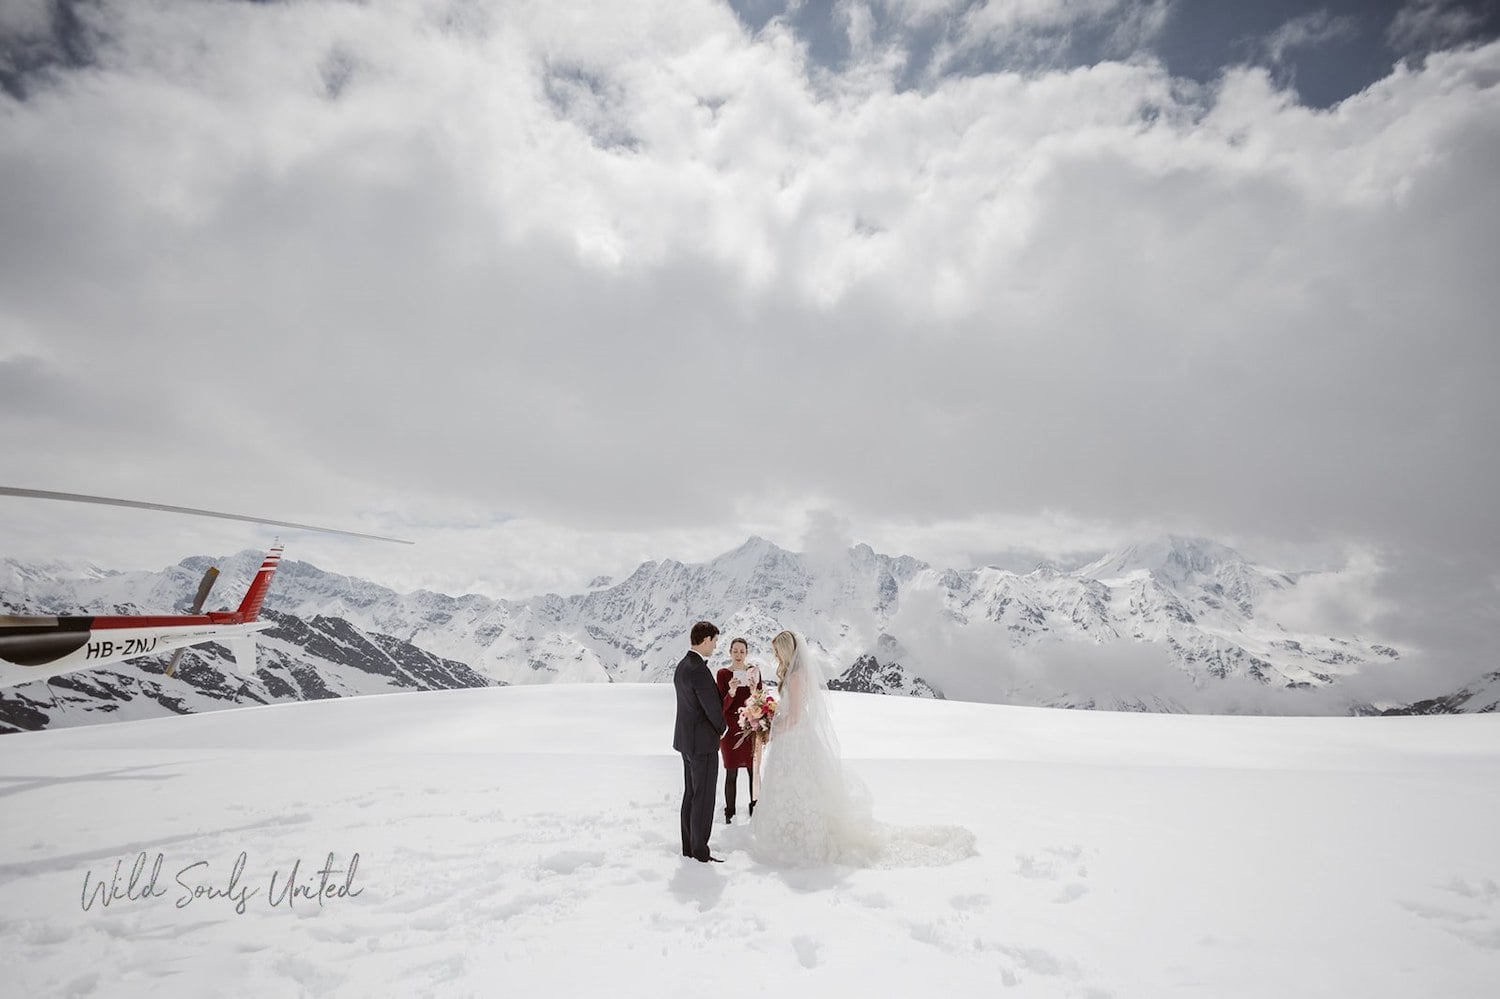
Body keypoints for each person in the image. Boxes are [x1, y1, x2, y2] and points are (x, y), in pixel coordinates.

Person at [751, 630, 976, 869]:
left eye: (776, 651)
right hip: (796, 737)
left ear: (785, 651)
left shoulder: (795, 677)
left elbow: (794, 716)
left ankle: (798, 836)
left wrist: (774, 729)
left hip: (794, 737)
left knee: (797, 784)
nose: (774, 655)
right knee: (799, 784)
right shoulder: (797, 674)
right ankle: (794, 831)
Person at [672, 620, 725, 863]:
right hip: (702, 743)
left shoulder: (683, 665)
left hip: (686, 741)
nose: (715, 646)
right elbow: (712, 708)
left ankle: (689, 848)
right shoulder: (699, 670)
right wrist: (722, 729)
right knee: (703, 797)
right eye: (714, 641)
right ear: (705, 640)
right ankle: (700, 851)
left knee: (691, 794)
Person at [715, 638, 761, 824]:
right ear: (730, 652)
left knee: (753, 771)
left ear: (747, 653)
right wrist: (732, 692)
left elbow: (759, 702)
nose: (739, 655)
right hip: (730, 729)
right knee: (731, 772)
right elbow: (720, 707)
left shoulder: (754, 672)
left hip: (750, 728)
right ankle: (730, 813)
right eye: (735, 651)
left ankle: (755, 811)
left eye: (742, 651)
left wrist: (752, 690)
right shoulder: (723, 674)